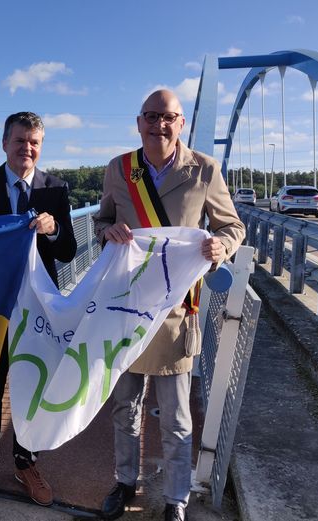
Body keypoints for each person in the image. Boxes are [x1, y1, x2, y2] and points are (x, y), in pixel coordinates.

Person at [93, 90, 245, 521]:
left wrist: (222, 246)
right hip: (125, 310)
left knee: (177, 418)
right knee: (125, 407)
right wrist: (109, 232)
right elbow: (102, 218)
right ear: (138, 122)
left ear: (181, 124)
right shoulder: (119, 169)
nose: (159, 124)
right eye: (151, 117)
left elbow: (232, 224)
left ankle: (176, 498)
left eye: (169, 118)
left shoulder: (204, 169)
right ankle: (125, 482)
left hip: (175, 311)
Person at [0, 111, 77, 513]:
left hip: (37, 311)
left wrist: (54, 230)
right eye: (20, 140)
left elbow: (68, 251)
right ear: (4, 142)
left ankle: (27, 464)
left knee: (32, 385)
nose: (27, 148)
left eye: (34, 142)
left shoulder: (55, 189)